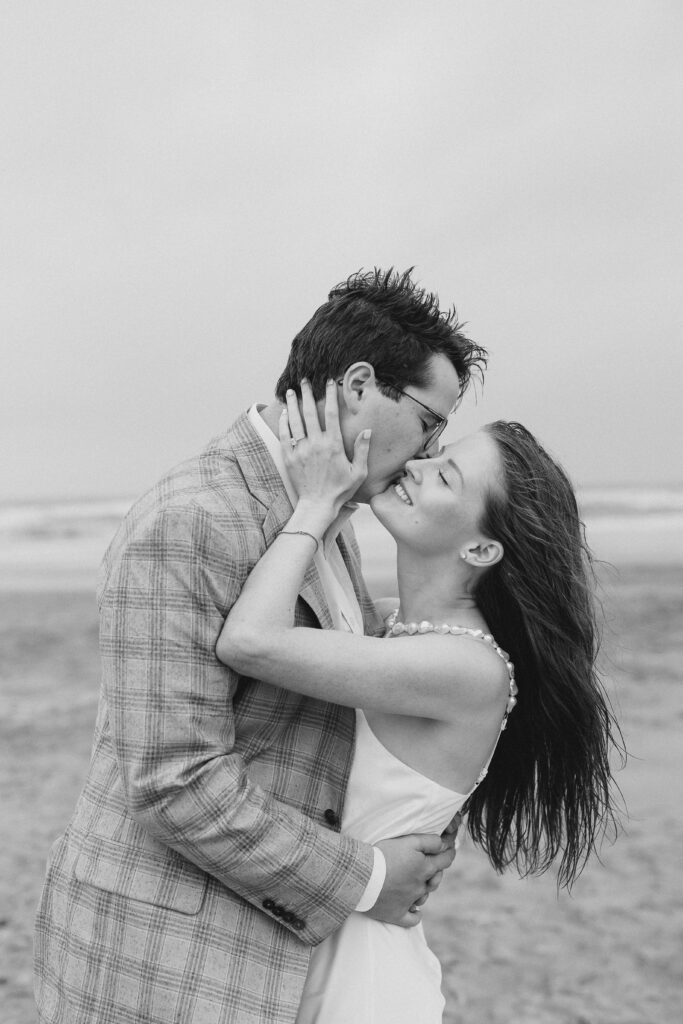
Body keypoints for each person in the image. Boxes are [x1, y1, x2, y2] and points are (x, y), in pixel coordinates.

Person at [34, 268, 487, 1024]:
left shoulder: (321, 505)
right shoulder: (195, 517)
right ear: (359, 384)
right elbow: (175, 783)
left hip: (271, 951)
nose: (424, 452)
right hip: (165, 963)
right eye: (428, 424)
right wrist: (370, 878)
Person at [216, 381, 623, 1024]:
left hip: (358, 975)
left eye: (446, 476)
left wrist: (317, 504)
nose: (416, 465)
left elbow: (251, 640)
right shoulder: (398, 633)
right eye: (434, 452)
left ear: (481, 550)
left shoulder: (463, 668)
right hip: (321, 932)